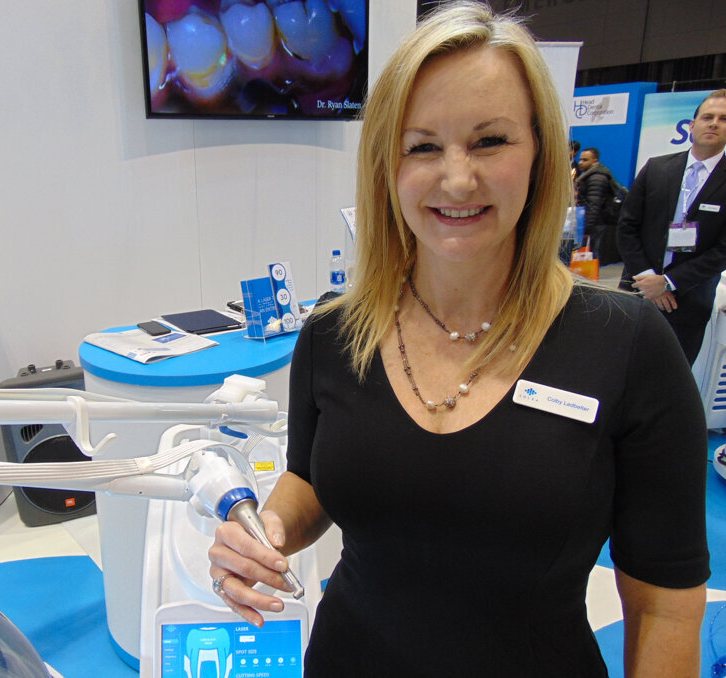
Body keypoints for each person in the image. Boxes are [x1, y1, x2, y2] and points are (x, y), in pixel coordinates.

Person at [208, 3, 709, 676]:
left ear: (540, 153)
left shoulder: (627, 344)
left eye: (489, 141)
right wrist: (267, 532)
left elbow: (665, 606)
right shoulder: (334, 331)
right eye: (422, 146)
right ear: (386, 166)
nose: (456, 179)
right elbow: (310, 477)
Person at [617, 89, 726, 365]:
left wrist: (667, 282)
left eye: (723, 119)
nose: (714, 124)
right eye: (708, 117)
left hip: (688, 301)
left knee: (670, 377)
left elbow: (723, 250)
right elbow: (627, 226)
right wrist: (648, 278)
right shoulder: (657, 168)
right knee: (620, 367)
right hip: (637, 290)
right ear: (692, 125)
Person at [575, 146, 616, 260]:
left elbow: (594, 204)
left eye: (585, 160)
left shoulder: (597, 178)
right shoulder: (588, 175)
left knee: (590, 254)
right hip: (589, 221)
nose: (580, 162)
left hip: (594, 223)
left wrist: (587, 228)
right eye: (580, 159)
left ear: (595, 160)